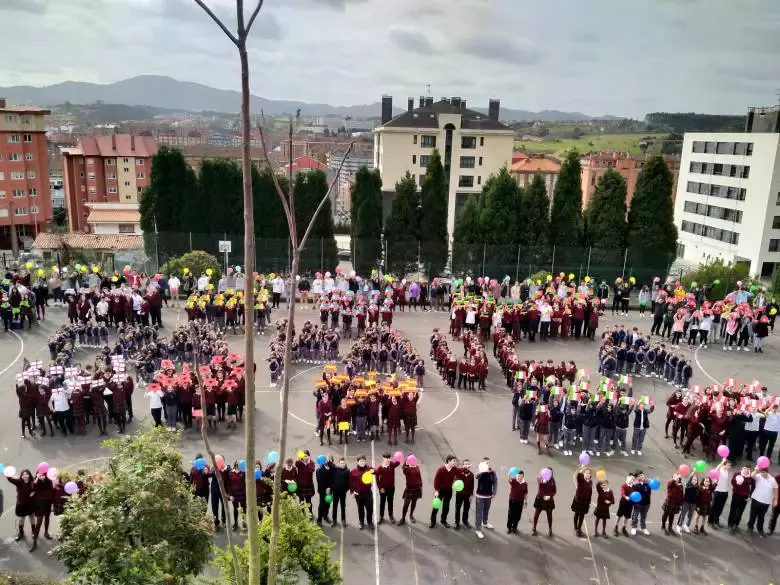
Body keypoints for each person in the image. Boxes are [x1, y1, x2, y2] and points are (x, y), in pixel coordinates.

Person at [747, 466, 778, 536]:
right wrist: (756, 470)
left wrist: (776, 499)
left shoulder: (772, 480)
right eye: (761, 472)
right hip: (756, 500)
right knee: (753, 515)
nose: (761, 474)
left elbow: (776, 488)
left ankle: (760, 529)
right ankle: (750, 527)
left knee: (761, 517)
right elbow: (752, 476)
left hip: (766, 502)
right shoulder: (758, 476)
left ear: (767, 472)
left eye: (763, 473)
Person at [30, 469, 54, 552]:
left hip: (47, 503)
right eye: (40, 475)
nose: (42, 476)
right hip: (39, 505)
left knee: (47, 518)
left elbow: (52, 491)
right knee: (39, 521)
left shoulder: (49, 481)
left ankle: (46, 533)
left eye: (43, 475)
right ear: (37, 475)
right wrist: (37, 479)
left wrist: (52, 503)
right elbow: (33, 487)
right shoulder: (35, 482)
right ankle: (34, 541)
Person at [7, 469, 34, 542]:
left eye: (26, 474)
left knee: (32, 517)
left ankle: (33, 532)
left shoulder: (32, 482)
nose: (25, 475)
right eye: (23, 474)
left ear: (29, 475)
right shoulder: (19, 482)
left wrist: (34, 492)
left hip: (30, 504)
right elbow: (10, 479)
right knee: (22, 518)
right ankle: (21, 533)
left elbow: (37, 488)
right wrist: (8, 473)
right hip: (21, 504)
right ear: (21, 476)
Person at [430, 455, 457, 528]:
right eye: (454, 461)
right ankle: (433, 520)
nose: (455, 462)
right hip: (440, 490)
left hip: (448, 490)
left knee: (446, 506)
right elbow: (436, 480)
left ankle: (443, 520)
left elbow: (460, 471)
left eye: (455, 461)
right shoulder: (441, 469)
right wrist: (436, 490)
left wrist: (467, 466)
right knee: (436, 506)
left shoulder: (454, 469)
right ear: (449, 461)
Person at [474, 458, 497, 539]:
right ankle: (478, 529)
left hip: (488, 495)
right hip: (480, 495)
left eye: (489, 463)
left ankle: (485, 523)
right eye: (487, 463)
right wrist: (480, 471)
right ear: (483, 464)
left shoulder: (492, 472)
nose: (488, 464)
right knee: (479, 513)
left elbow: (495, 482)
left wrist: (494, 493)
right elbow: (476, 477)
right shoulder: (481, 472)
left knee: (486, 510)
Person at [349, 455, 374, 530]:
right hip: (358, 494)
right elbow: (350, 483)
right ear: (357, 462)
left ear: (365, 461)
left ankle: (370, 522)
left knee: (370, 509)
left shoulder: (369, 468)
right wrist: (352, 492)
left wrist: (374, 471)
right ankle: (361, 522)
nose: (362, 462)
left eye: (363, 461)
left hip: (368, 493)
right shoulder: (353, 471)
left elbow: (377, 471)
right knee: (360, 509)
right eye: (360, 461)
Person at [727, 465, 754, 532]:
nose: (746, 470)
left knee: (740, 511)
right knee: (733, 510)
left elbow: (752, 487)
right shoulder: (737, 474)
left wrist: (750, 496)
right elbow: (732, 482)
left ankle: (736, 524)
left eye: (748, 469)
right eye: (745, 468)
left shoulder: (750, 477)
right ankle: (730, 524)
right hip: (736, 495)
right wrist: (737, 484)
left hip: (745, 496)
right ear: (742, 468)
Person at [374, 452, 399, 525]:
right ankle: (381, 517)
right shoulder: (379, 468)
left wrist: (398, 457)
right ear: (383, 459)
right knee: (382, 502)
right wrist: (379, 488)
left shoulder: (392, 465)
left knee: (390, 502)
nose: (388, 460)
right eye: (386, 458)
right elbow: (377, 479)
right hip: (383, 489)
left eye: (389, 458)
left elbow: (397, 463)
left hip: (391, 488)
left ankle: (391, 516)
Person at [398, 456, 422, 526]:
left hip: (417, 488)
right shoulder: (406, 469)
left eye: (414, 460)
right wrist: (406, 462)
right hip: (409, 489)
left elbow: (419, 476)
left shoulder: (417, 467)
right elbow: (403, 469)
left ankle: (411, 515)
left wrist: (421, 485)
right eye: (411, 461)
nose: (413, 462)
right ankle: (403, 518)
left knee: (414, 502)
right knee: (406, 504)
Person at [532, 469, 556, 537]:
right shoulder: (540, 478)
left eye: (550, 473)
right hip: (540, 499)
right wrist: (543, 482)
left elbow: (554, 491)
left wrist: (550, 496)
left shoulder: (552, 480)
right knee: (537, 513)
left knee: (549, 515)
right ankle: (534, 527)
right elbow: (540, 488)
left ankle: (550, 529)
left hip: (549, 500)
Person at [571, 465, 593, 538]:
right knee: (577, 514)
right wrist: (581, 469)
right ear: (584, 474)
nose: (588, 474)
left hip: (585, 502)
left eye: (589, 473)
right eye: (586, 473)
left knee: (582, 515)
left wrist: (589, 501)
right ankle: (576, 528)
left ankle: (579, 528)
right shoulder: (581, 479)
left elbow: (590, 492)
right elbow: (578, 475)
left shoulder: (590, 482)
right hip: (578, 500)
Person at [708, 459, 731, 528]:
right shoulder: (720, 470)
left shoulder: (726, 471)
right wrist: (722, 462)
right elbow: (717, 468)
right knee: (714, 507)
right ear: (724, 464)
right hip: (717, 491)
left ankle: (716, 520)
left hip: (724, 492)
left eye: (729, 465)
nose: (729, 466)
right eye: (728, 465)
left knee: (720, 507)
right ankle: (710, 521)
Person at [629, 471, 651, 535]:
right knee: (635, 516)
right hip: (638, 504)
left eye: (641, 475)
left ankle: (643, 527)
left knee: (643, 516)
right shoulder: (635, 485)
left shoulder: (648, 483)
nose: (641, 476)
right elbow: (632, 494)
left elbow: (651, 488)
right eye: (639, 476)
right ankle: (634, 527)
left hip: (646, 503)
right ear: (636, 478)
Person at [454, 459, 474, 530]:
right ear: (463, 465)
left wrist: (471, 495)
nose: (467, 465)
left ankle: (465, 521)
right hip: (459, 494)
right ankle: (457, 522)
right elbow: (455, 482)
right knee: (458, 509)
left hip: (468, 495)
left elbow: (472, 485)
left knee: (466, 509)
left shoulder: (471, 474)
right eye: (465, 464)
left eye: (468, 464)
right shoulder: (459, 474)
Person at [507, 470, 528, 534]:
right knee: (510, 514)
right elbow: (509, 481)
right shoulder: (514, 480)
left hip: (520, 502)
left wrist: (525, 502)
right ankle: (509, 528)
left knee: (518, 516)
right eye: (519, 476)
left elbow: (525, 493)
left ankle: (514, 528)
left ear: (523, 476)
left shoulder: (525, 483)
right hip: (512, 500)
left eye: (521, 476)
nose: (520, 477)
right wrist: (509, 475)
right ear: (517, 476)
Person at [315, 455, 334, 526]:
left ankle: (325, 515)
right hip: (323, 491)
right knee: (322, 505)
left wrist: (330, 488)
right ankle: (319, 519)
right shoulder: (319, 470)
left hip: (330, 489)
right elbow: (320, 482)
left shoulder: (331, 467)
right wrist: (326, 489)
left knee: (328, 503)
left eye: (326, 460)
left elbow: (333, 479)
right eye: (324, 460)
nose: (326, 461)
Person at [295, 452, 316, 517]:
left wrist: (309, 462)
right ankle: (302, 513)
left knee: (308, 501)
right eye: (304, 456)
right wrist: (299, 458)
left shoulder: (311, 463)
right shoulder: (299, 463)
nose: (305, 457)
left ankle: (310, 513)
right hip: (301, 485)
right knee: (301, 501)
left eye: (306, 456)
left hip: (308, 485)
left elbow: (311, 470)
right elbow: (296, 464)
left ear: (309, 456)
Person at [331, 457, 349, 528]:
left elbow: (348, 482)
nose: (342, 464)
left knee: (343, 506)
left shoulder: (347, 471)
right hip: (335, 492)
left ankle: (343, 519)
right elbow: (332, 479)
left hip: (342, 492)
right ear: (338, 463)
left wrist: (345, 490)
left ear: (345, 464)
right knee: (334, 506)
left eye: (343, 463)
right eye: (341, 463)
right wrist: (333, 488)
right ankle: (334, 520)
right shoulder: (334, 470)